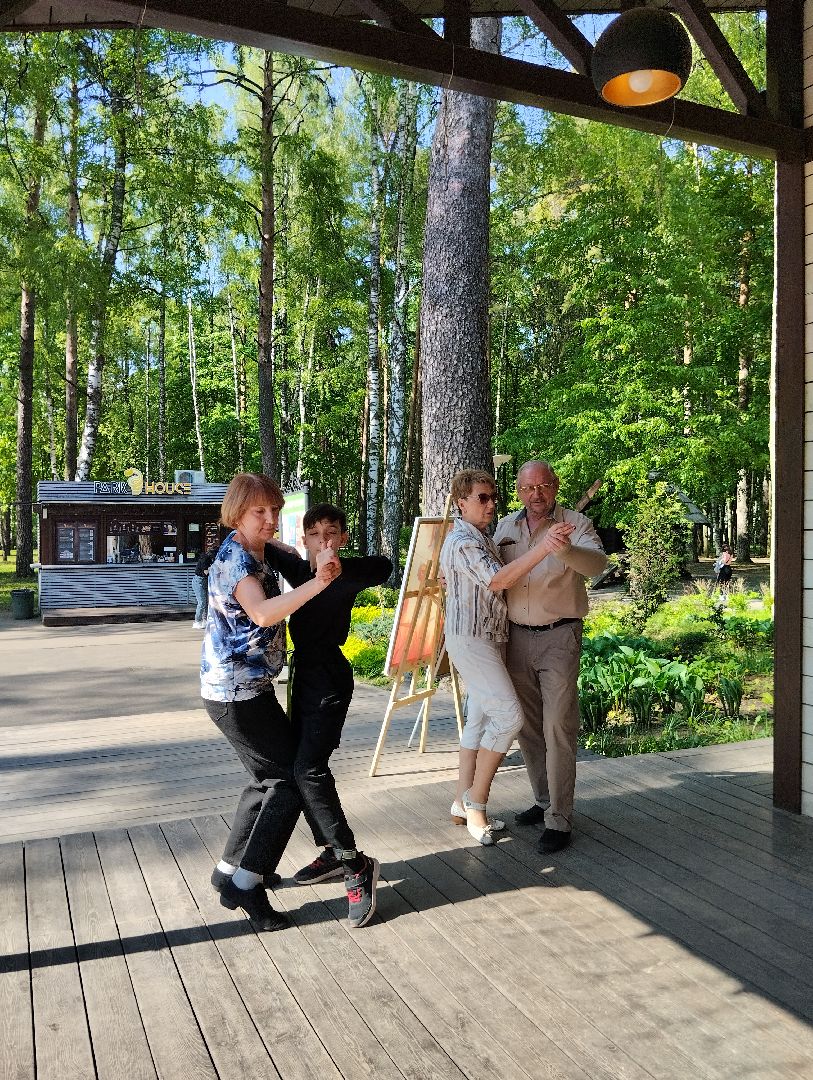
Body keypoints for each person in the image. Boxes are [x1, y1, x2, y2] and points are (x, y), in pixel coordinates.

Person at [201, 472, 346, 931]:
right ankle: (248, 885)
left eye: (273, 511)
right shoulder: (237, 560)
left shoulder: (257, 551)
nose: (269, 519)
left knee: (265, 780)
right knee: (286, 784)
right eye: (258, 512)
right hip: (237, 694)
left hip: (245, 689)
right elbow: (262, 612)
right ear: (237, 514)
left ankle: (227, 872)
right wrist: (320, 582)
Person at [263, 503, 391, 912]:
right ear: (305, 540)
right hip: (302, 679)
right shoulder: (301, 573)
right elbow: (262, 544)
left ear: (344, 537)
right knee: (302, 769)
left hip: (331, 680)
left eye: (332, 533)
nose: (325, 541)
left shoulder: (347, 573)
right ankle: (333, 852)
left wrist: (339, 563)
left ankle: (355, 862)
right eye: (316, 535)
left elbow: (384, 566)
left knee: (308, 769)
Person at [440, 469, 575, 846]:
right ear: (461, 502)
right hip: (474, 640)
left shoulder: (480, 535)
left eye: (493, 497)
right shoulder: (466, 539)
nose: (490, 504)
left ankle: (458, 802)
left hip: (488, 638)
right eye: (481, 498)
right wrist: (543, 548)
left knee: (479, 721)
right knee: (510, 716)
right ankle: (476, 802)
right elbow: (498, 580)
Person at [494, 460, 607, 854]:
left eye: (543, 486)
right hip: (515, 639)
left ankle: (559, 818)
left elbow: (598, 565)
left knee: (559, 726)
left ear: (555, 486)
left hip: (559, 637)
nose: (536, 494)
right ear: (519, 491)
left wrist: (568, 550)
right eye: (528, 488)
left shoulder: (575, 524)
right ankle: (543, 801)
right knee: (527, 727)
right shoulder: (505, 527)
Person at [192, 540, 217, 628]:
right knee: (202, 602)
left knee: (207, 602)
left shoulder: (209, 558)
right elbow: (206, 572)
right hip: (199, 581)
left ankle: (206, 620)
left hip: (205, 581)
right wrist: (214, 567)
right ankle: (197, 621)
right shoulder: (205, 559)